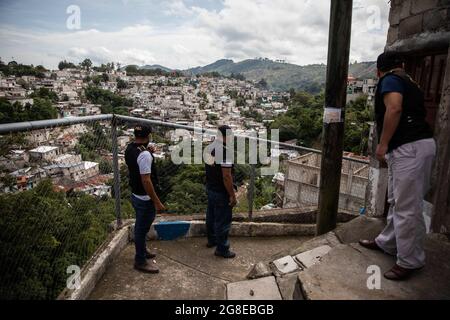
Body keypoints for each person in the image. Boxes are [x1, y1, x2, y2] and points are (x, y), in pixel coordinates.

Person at [359, 52, 436, 280]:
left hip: (408, 148)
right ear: (401, 65)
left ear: (378, 71)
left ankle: (410, 261)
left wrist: (382, 144)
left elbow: (394, 108)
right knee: (397, 201)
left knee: (407, 206)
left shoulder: (391, 79)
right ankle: (388, 243)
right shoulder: (409, 81)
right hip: (411, 148)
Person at [125, 125, 166, 273]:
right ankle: (140, 260)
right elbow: (146, 181)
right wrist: (156, 201)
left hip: (136, 194)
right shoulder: (145, 155)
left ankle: (142, 251)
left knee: (141, 226)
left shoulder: (130, 148)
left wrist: (147, 152)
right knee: (141, 229)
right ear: (148, 136)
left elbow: (136, 165)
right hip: (145, 197)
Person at [204, 125, 237, 258]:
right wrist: (232, 195)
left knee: (211, 216)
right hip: (221, 191)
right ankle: (222, 248)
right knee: (223, 221)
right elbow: (226, 176)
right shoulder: (225, 152)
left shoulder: (209, 147)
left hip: (210, 187)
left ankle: (212, 240)